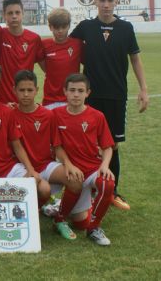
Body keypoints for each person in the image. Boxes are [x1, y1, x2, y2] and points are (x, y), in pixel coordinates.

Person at [70, 0, 149, 210]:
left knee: (112, 144)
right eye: (102, 0)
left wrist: (144, 89)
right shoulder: (85, 27)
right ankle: (88, 189)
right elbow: (67, 47)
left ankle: (111, 191)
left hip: (116, 96)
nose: (106, 5)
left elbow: (135, 58)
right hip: (90, 97)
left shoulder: (126, 28)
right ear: (95, 2)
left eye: (110, 0)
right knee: (87, 143)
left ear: (116, 2)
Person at [52, 73, 116, 245]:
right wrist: (69, 165)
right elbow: (57, 147)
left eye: (80, 91)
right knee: (79, 222)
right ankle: (59, 217)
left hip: (93, 169)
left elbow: (108, 147)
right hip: (73, 171)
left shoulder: (97, 116)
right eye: (72, 90)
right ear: (64, 91)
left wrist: (104, 165)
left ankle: (94, 228)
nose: (76, 94)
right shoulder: (56, 115)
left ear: (88, 93)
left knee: (108, 183)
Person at [11, 70, 83, 213]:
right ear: (14, 90)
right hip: (21, 167)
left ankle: (60, 217)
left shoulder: (48, 115)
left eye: (30, 90)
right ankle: (33, 211)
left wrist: (68, 164)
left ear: (37, 90)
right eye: (22, 90)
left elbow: (57, 145)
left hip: (45, 165)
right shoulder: (9, 114)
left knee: (75, 180)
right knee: (44, 190)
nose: (26, 94)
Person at [0, 0, 44, 104]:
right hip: (3, 101)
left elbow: (48, 69)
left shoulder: (34, 39)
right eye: (10, 13)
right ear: (4, 15)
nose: (14, 16)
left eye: (17, 12)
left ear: (23, 13)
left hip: (25, 100)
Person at [41, 8, 82, 108]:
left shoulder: (78, 44)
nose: (60, 31)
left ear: (69, 26)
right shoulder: (43, 45)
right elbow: (43, 66)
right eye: (56, 27)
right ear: (50, 27)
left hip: (72, 99)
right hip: (50, 100)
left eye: (64, 27)